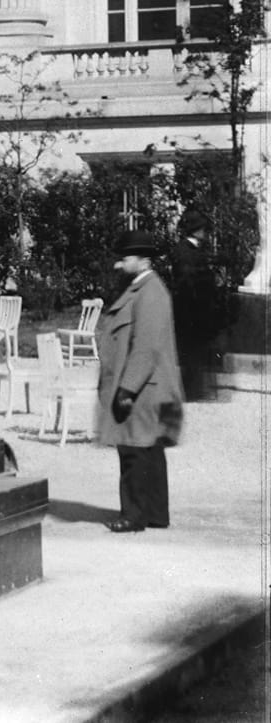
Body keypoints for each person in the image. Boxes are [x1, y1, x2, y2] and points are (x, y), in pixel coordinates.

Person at [96, 232, 185, 532]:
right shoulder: (142, 290)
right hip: (147, 387)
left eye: (125, 259)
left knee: (134, 450)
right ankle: (155, 515)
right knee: (149, 449)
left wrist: (127, 388)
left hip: (142, 388)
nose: (119, 265)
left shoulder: (150, 292)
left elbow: (146, 346)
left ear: (143, 259)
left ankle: (133, 516)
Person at [170, 211, 223, 401]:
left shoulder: (194, 251)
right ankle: (191, 392)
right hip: (190, 309)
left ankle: (196, 389)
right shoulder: (184, 251)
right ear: (197, 230)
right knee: (191, 351)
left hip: (199, 309)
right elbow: (186, 281)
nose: (205, 234)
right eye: (203, 230)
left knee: (197, 351)